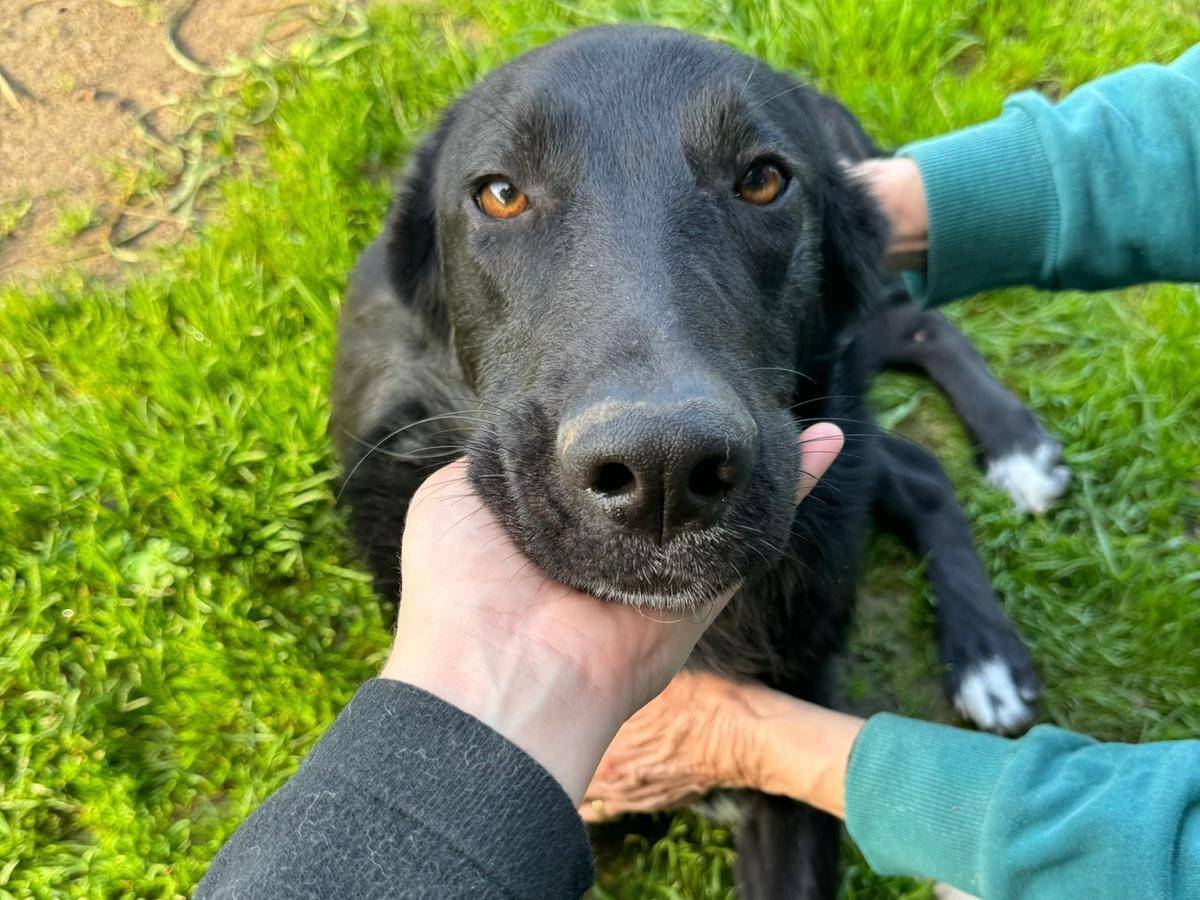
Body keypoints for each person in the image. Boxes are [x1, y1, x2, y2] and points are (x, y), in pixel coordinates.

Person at [197, 44, 1200, 899]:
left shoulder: (816, 436)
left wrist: (744, 739)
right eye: (505, 197)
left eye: (758, 183)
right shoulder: (410, 485)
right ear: (432, 291)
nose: (655, 438)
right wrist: (462, 746)